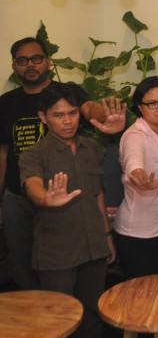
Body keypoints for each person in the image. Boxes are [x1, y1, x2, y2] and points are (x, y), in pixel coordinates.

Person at [0, 37, 125, 290]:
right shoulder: (6, 103)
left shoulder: (68, 93)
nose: (30, 64)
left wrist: (105, 117)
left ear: (48, 61)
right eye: (22, 60)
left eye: (36, 58)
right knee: (23, 269)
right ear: (14, 66)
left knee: (64, 267)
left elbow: (90, 109)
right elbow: (2, 153)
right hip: (18, 199)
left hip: (66, 199)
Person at [19, 84, 115, 338]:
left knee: (93, 317)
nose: (68, 121)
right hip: (57, 255)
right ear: (43, 117)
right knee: (60, 321)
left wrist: (107, 235)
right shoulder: (33, 154)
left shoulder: (90, 147)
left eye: (72, 113)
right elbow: (32, 185)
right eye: (58, 115)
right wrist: (45, 197)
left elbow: (98, 193)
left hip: (94, 248)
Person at [113, 76, 158, 279]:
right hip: (139, 234)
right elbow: (133, 161)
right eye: (152, 103)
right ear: (140, 107)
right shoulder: (135, 136)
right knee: (144, 293)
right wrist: (138, 175)